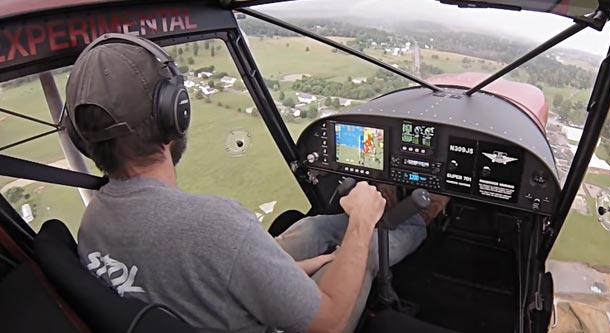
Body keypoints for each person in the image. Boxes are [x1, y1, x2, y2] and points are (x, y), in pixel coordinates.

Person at [68, 35, 447, 333]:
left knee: (315, 227)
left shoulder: (94, 220)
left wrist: (298, 271)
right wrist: (363, 221)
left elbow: (200, 280)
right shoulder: (213, 224)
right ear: (175, 114)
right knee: (364, 253)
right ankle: (421, 221)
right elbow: (329, 323)